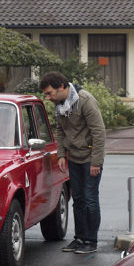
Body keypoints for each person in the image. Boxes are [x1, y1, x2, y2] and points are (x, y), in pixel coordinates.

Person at [39, 71, 106, 254]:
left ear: (62, 87)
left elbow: (99, 132)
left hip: (90, 159)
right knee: (77, 199)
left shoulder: (85, 100)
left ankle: (91, 241)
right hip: (74, 158)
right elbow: (60, 131)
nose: (48, 97)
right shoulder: (59, 104)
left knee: (90, 199)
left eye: (49, 93)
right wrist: (61, 154)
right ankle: (79, 239)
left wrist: (96, 162)